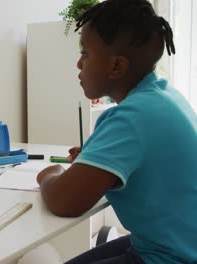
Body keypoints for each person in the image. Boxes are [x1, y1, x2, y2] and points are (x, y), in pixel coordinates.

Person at [36, 0, 197, 263]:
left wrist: (49, 175)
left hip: (172, 256)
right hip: (173, 242)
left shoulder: (131, 117)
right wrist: (93, 162)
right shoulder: (162, 96)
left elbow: (65, 202)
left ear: (116, 67)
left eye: (85, 53)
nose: (79, 64)